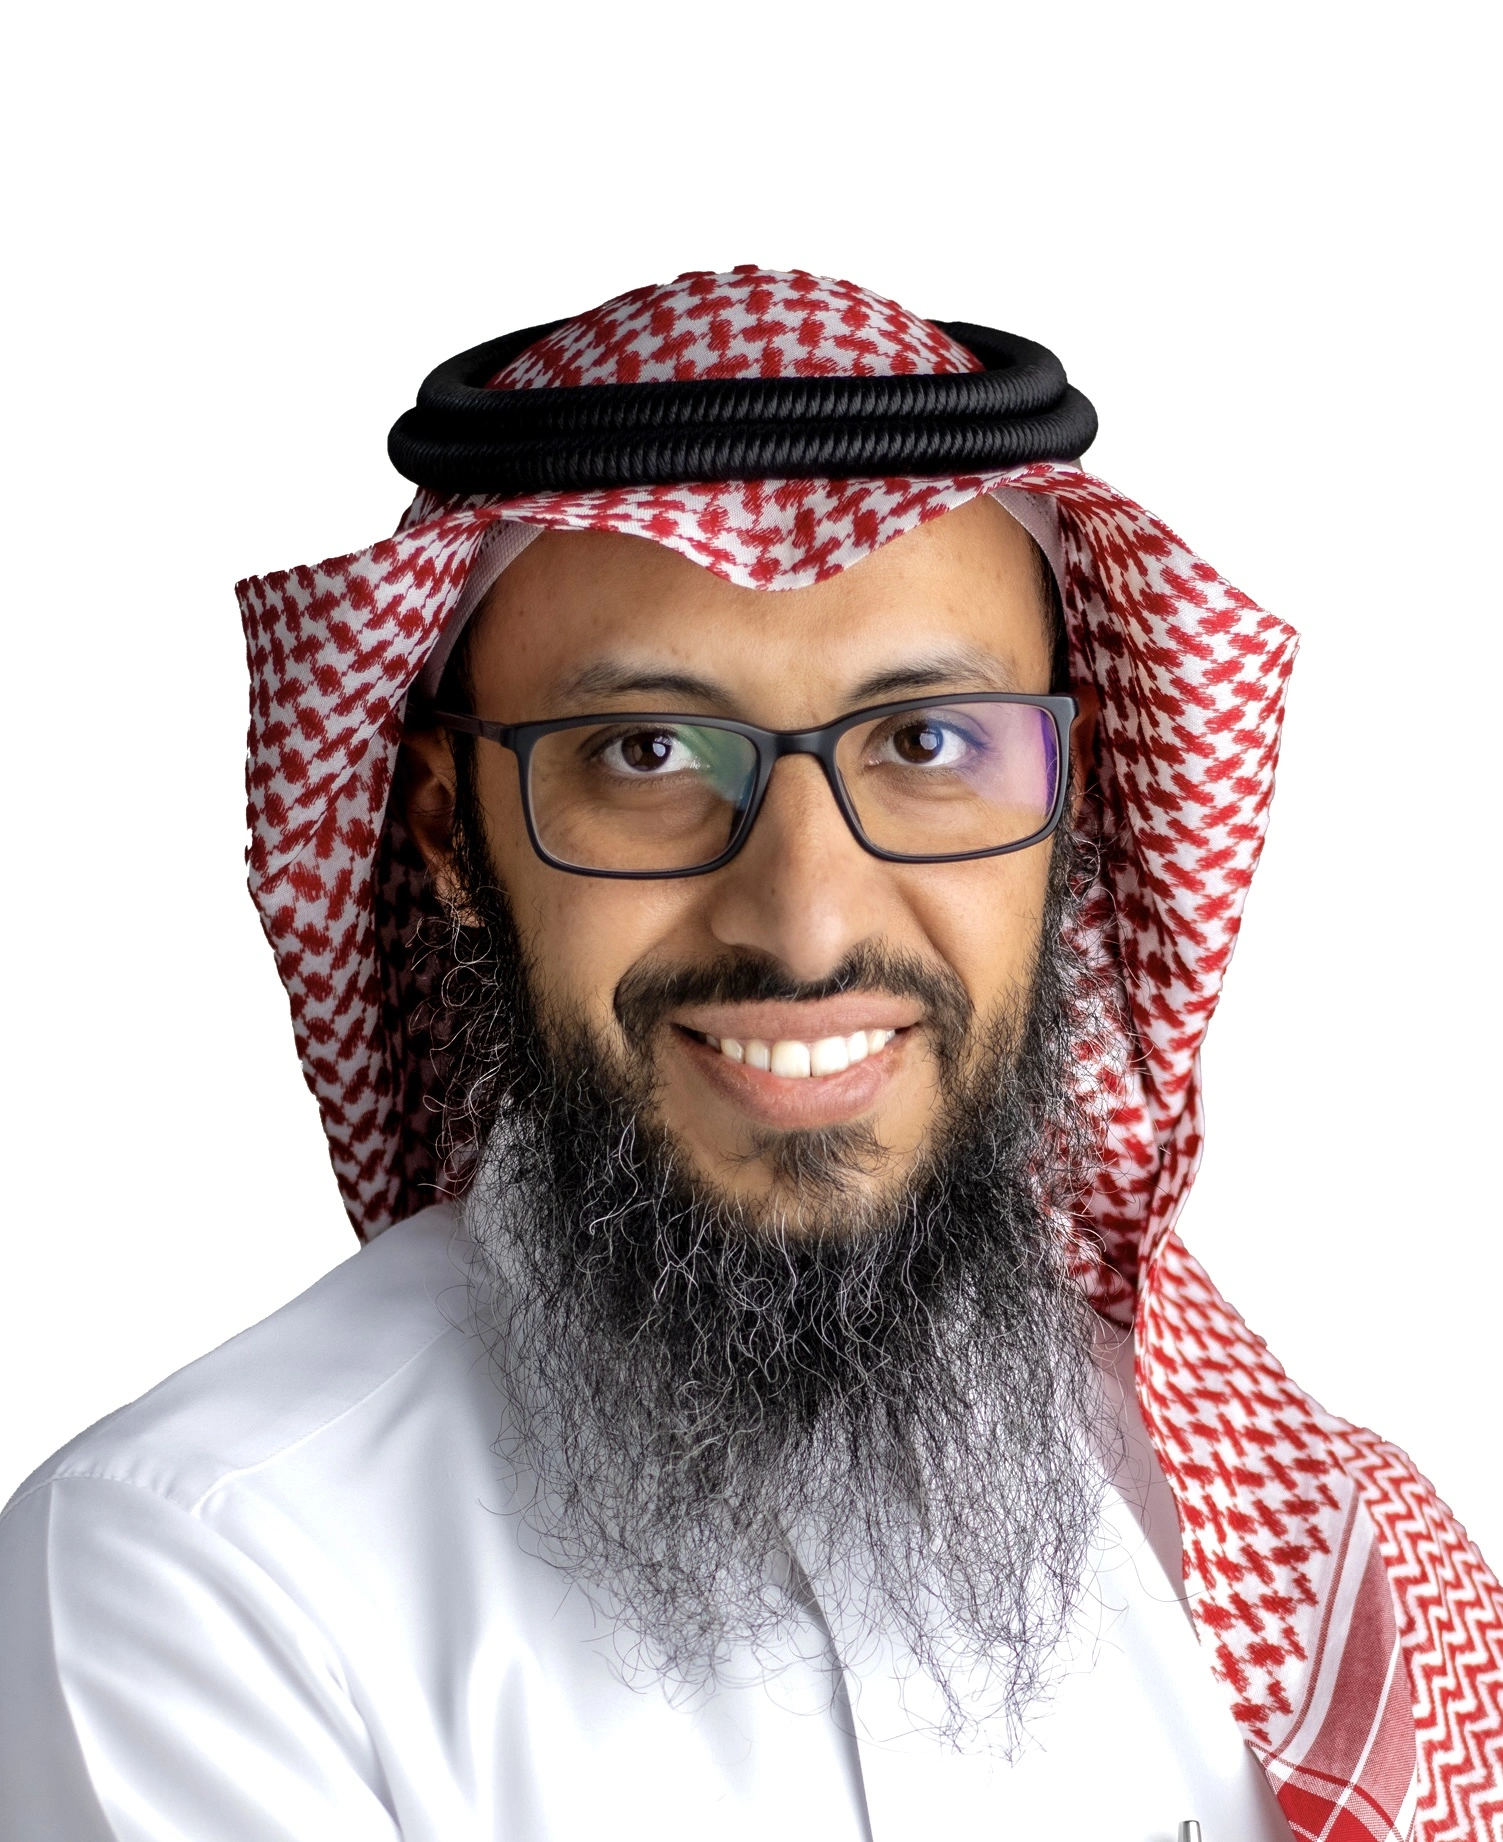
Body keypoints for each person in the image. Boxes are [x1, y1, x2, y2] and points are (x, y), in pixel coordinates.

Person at [1, 268, 1497, 1842]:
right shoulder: (213, 1579)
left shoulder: (1265, 1539)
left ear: (1067, 809)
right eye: (646, 752)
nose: (802, 921)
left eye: (925, 742)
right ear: (448, 831)